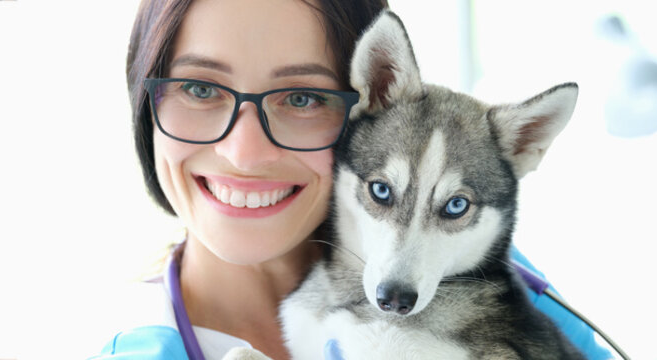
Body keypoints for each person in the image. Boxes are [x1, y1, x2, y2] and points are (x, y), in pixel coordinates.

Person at [94, 0, 614, 359]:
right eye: (200, 89)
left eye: (301, 97)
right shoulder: (143, 346)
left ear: (364, 95)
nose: (245, 154)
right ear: (144, 101)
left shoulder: (484, 277)